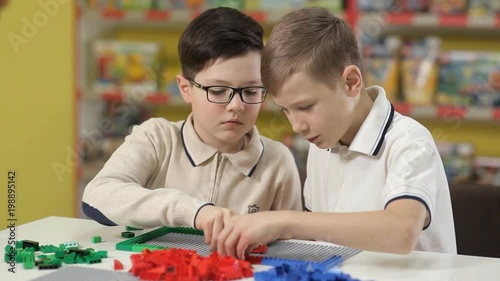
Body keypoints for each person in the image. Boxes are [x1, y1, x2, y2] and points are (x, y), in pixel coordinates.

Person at [214, 7, 456, 259]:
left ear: (351, 82)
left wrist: (284, 220)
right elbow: (316, 235)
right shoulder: (321, 143)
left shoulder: (408, 142)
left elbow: (402, 232)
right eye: (286, 110)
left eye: (305, 107)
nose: (297, 126)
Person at [82, 7, 302, 245]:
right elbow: (96, 198)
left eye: (251, 91)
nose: (236, 105)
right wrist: (194, 211)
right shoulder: (157, 138)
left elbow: (295, 247)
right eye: (218, 91)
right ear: (185, 88)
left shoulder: (277, 161)